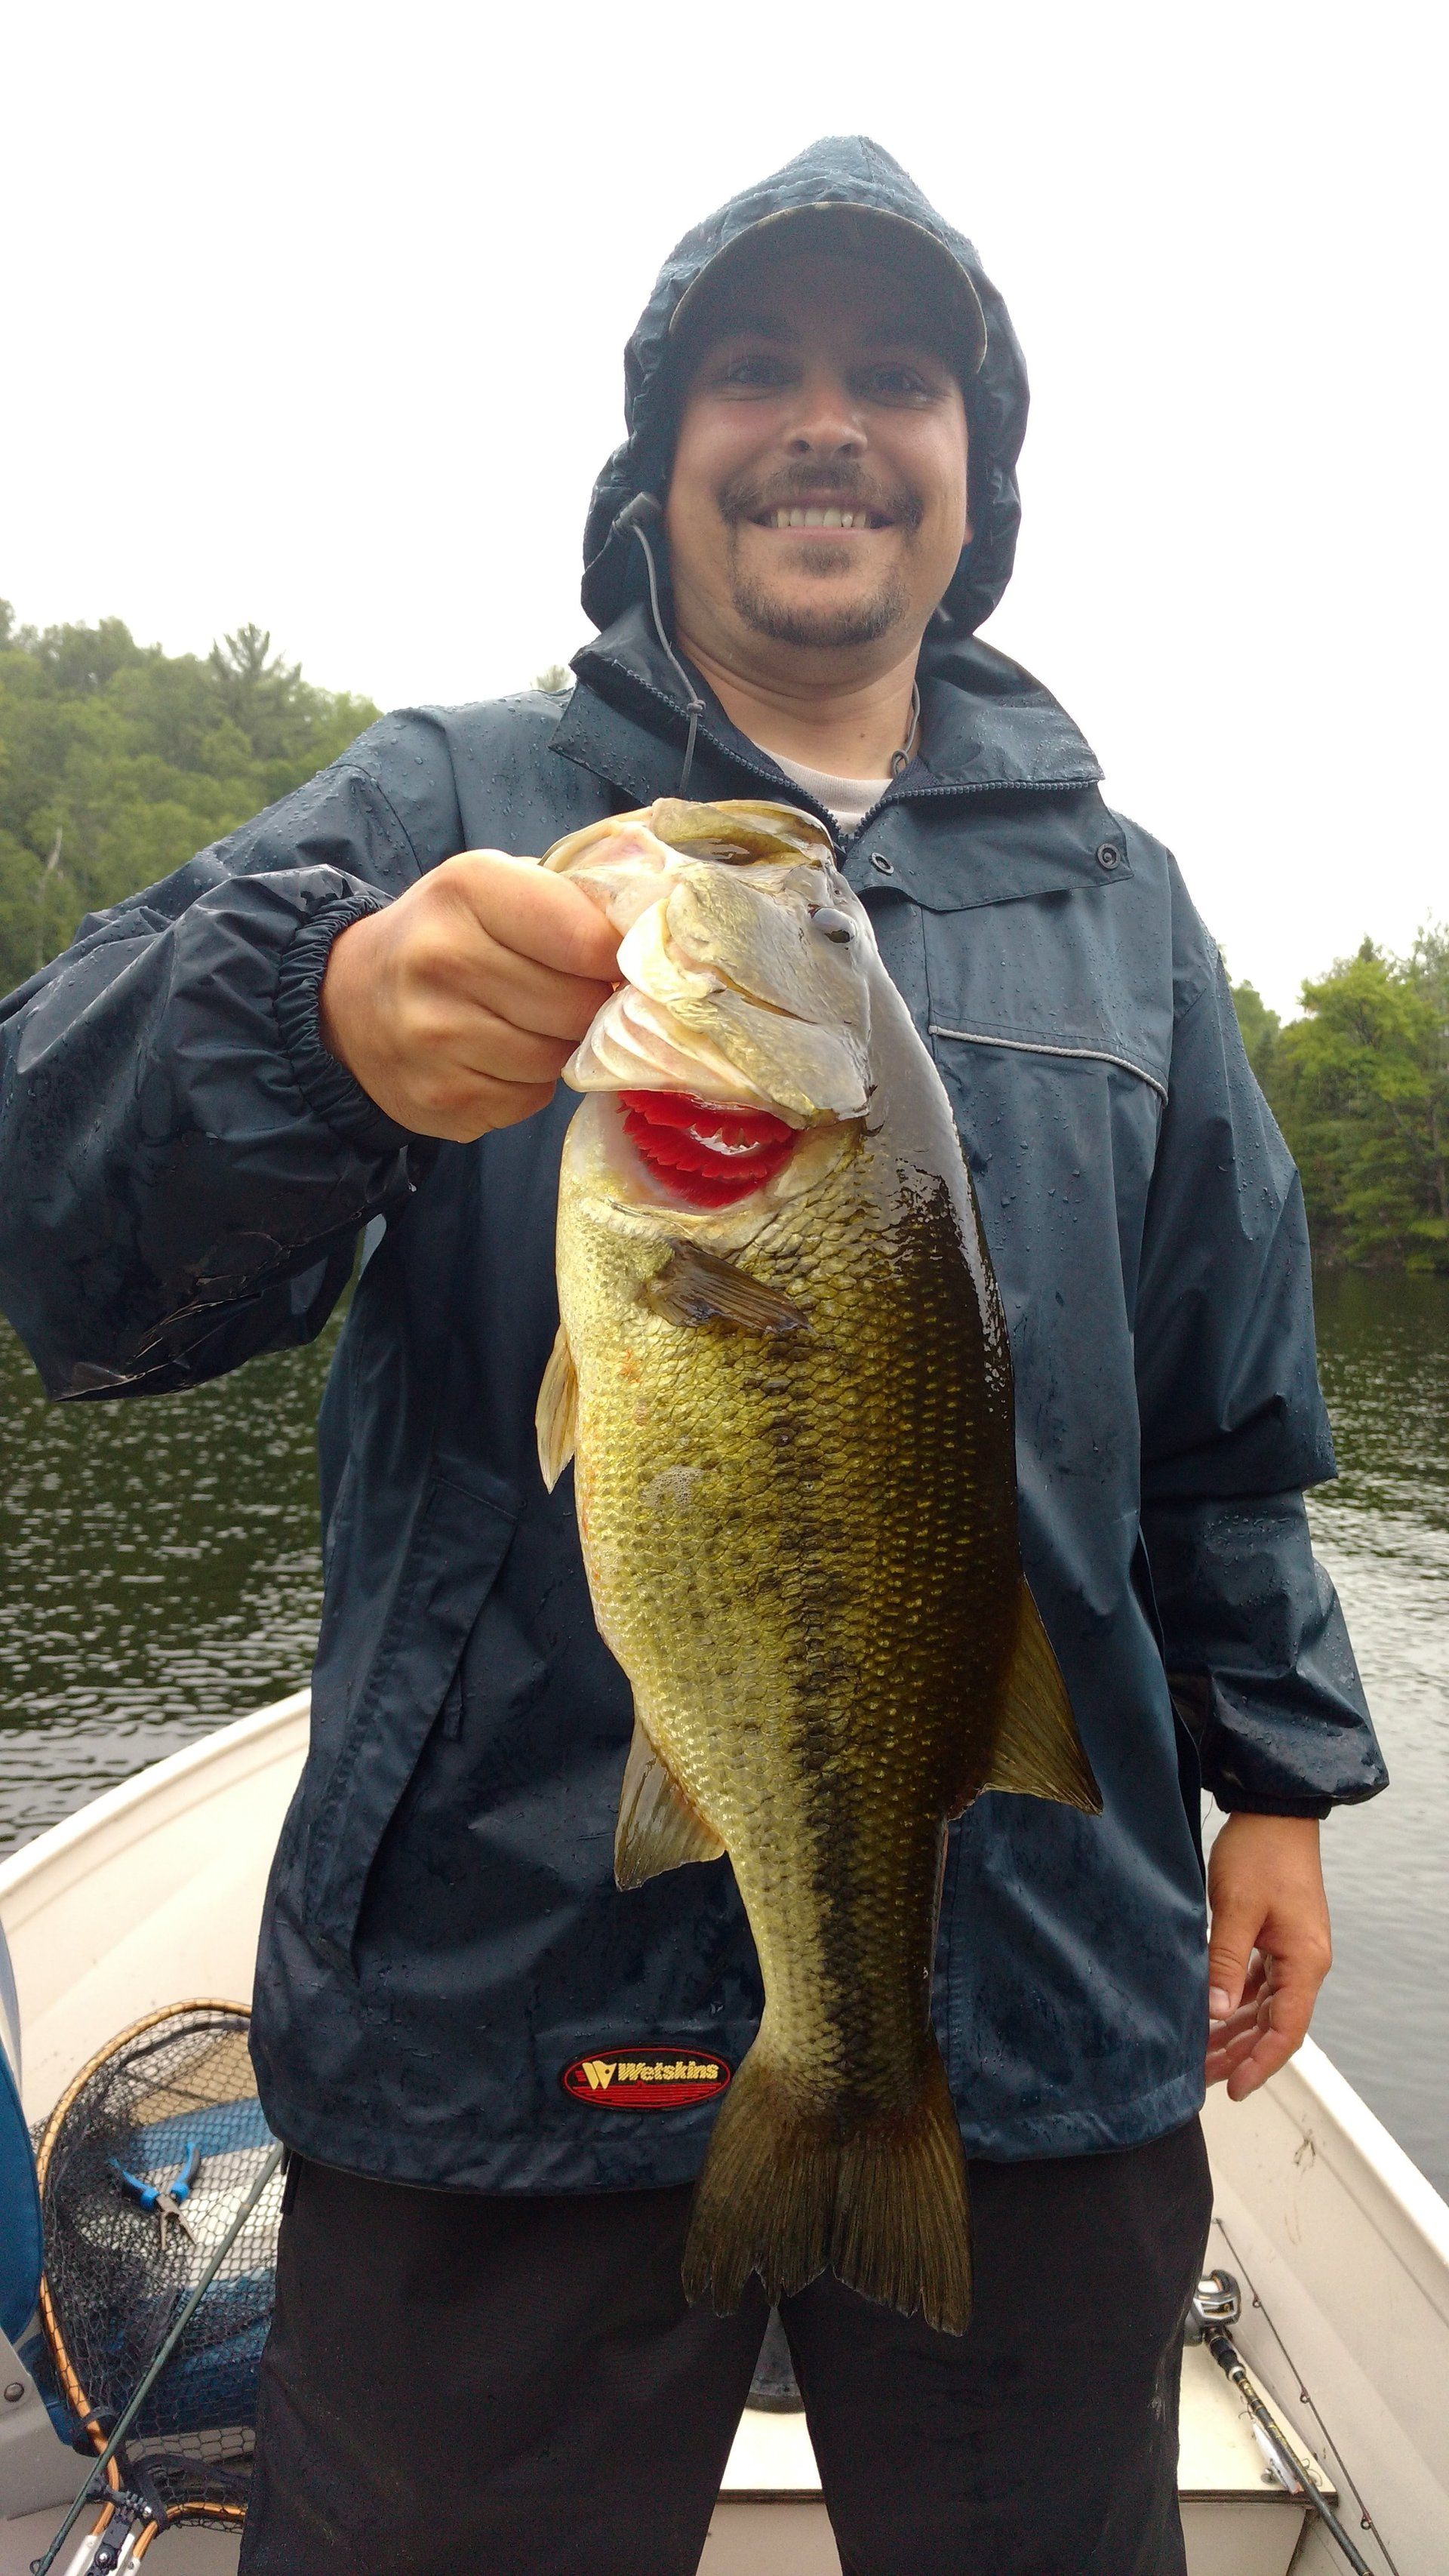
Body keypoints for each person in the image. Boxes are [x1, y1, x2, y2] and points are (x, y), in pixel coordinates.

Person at [0, 137, 1386, 2575]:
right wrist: (321, 1030)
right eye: (758, 371)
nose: (826, 423)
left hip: (1045, 2004)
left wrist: (1276, 1781)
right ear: (660, 467)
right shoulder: (451, 809)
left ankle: (853, 2078)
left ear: (978, 483)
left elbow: (1226, 1417)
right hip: (489, 2003)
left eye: (895, 378)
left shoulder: (1126, 906)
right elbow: (59, 1223)